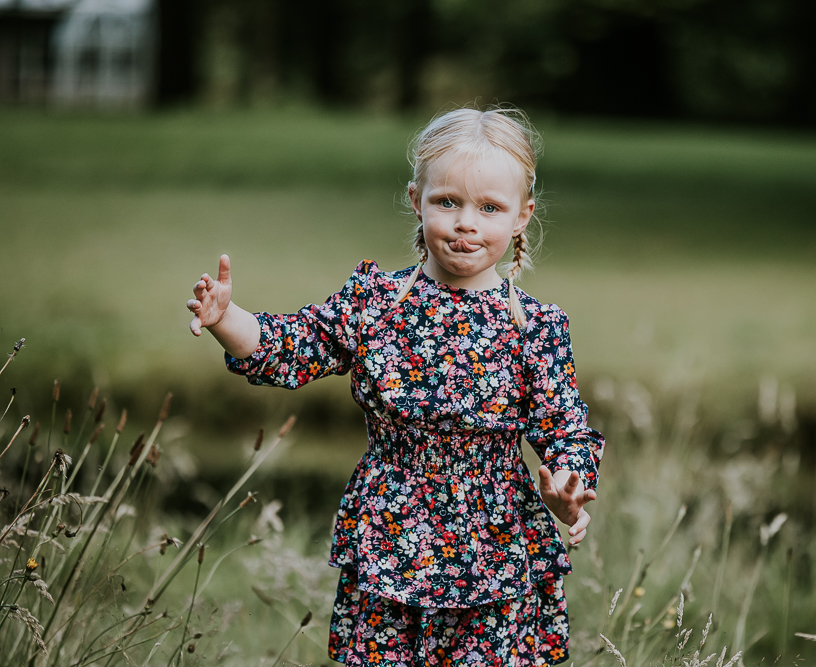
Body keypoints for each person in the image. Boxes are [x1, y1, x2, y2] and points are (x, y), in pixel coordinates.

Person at [186, 106, 605, 666]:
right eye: (447, 202)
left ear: (522, 216)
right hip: (390, 528)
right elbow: (287, 347)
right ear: (417, 200)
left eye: (489, 208)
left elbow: (566, 431)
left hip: (496, 544)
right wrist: (225, 318)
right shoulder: (376, 303)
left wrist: (569, 492)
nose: (466, 223)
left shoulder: (534, 327)